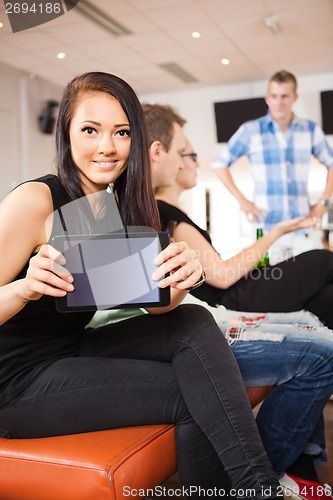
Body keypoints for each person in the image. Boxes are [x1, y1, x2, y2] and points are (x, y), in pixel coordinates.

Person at [0, 72, 286, 499]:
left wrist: (183, 275)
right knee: (195, 394)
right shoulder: (36, 201)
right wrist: (24, 288)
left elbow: (153, 304)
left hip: (68, 351)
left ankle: (256, 488)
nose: (107, 147)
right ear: (66, 133)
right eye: (90, 130)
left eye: (121, 132)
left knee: (191, 321)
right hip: (15, 383)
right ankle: (258, 490)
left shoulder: (108, 205)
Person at [142, 102, 333, 499]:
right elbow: (223, 274)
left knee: (324, 297)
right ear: (166, 157)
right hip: (227, 300)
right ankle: (291, 466)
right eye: (189, 153)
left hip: (225, 296)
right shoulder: (165, 210)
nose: (194, 161)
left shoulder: (172, 211)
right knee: (322, 261)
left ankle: (302, 464)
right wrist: (275, 231)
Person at [211, 69, 333, 263]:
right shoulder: (251, 130)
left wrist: (324, 203)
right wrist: (243, 201)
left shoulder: (310, 130)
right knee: (274, 288)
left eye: (284, 96)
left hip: (303, 227)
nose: (279, 102)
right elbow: (219, 164)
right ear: (267, 98)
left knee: (316, 281)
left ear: (295, 97)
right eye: (274, 96)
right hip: (268, 230)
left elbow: (331, 164)